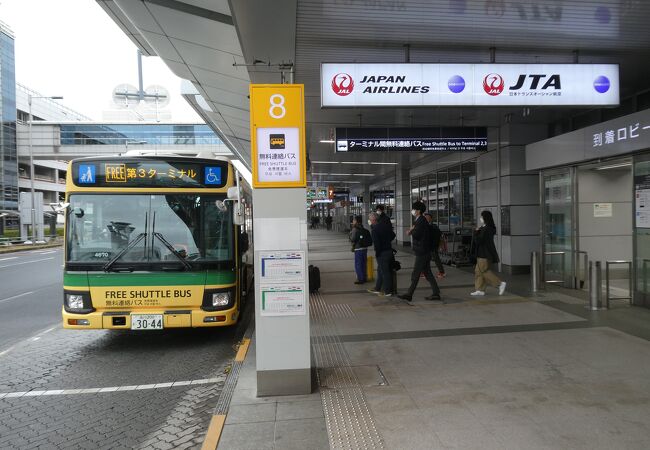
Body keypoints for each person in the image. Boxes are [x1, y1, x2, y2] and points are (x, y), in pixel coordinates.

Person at [398, 202, 441, 303]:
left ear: (418, 211)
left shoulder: (421, 220)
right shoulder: (419, 220)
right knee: (428, 273)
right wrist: (413, 230)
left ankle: (409, 294)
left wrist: (411, 231)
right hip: (424, 250)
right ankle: (436, 293)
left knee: (416, 274)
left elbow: (418, 235)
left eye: (414, 209)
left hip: (422, 251)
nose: (412, 211)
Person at [471, 210, 506, 296]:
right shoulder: (487, 228)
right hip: (484, 253)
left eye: (482, 216)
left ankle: (500, 284)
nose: (480, 218)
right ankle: (480, 289)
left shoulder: (486, 229)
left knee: (483, 271)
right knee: (478, 271)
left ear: (485, 218)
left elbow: (479, 241)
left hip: (484, 254)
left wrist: (475, 233)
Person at [366, 212, 394, 297]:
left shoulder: (375, 230)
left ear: (374, 220)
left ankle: (387, 291)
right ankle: (377, 288)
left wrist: (377, 253)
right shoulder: (385, 226)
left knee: (385, 272)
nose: (369, 221)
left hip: (382, 253)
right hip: (389, 251)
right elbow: (393, 235)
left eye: (370, 220)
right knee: (380, 271)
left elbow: (377, 244)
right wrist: (387, 241)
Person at [349, 215, 371, 284]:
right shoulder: (363, 227)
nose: (353, 221)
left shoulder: (355, 229)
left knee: (358, 264)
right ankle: (364, 277)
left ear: (356, 221)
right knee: (364, 263)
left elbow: (353, 239)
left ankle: (360, 279)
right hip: (365, 248)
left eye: (353, 220)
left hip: (358, 248)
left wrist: (350, 236)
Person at [424, 213, 445, 279]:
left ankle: (442, 272)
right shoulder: (425, 226)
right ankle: (424, 272)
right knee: (425, 260)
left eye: (428, 217)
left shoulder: (434, 227)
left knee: (436, 259)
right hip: (426, 246)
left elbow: (439, 236)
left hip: (433, 246)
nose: (426, 219)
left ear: (431, 219)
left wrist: (440, 245)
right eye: (425, 217)